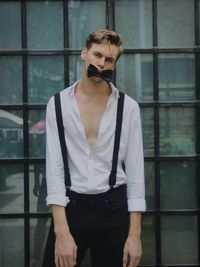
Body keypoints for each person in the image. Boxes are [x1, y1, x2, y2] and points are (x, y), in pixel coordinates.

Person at [43, 29, 146, 267]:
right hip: (71, 208)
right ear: (84, 53)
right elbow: (55, 168)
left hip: (113, 209)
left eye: (109, 59)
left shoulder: (128, 108)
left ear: (114, 64)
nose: (101, 64)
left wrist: (135, 236)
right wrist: (61, 232)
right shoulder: (58, 104)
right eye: (97, 55)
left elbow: (136, 173)